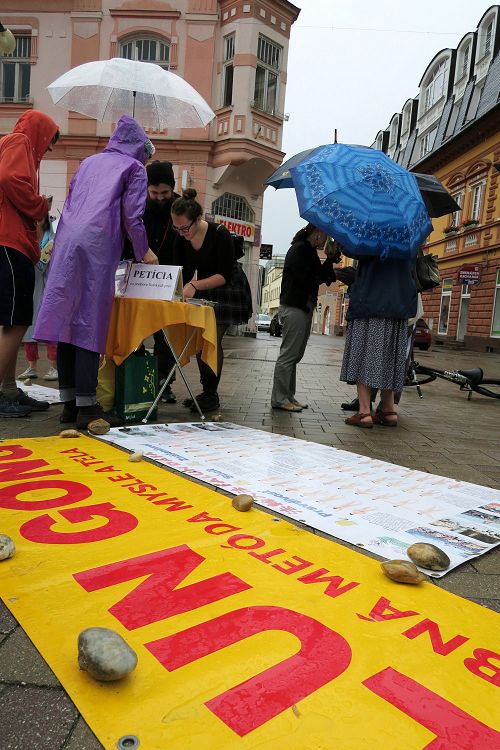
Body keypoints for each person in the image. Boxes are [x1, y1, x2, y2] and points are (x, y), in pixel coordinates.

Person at [34, 115, 158, 429]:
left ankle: (68, 404)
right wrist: (144, 251)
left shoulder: (89, 162)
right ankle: (88, 407)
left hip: (67, 240)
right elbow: (132, 217)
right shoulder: (134, 169)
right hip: (97, 245)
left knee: (65, 322)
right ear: (140, 149)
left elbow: (73, 200)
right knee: (88, 322)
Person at [0, 109, 59, 418]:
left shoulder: (14, 143)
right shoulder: (20, 141)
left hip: (11, 242)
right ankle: (1, 393)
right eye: (47, 143)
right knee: (16, 321)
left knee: (13, 320)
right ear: (39, 134)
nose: (46, 150)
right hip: (10, 242)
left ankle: (8, 391)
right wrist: (39, 207)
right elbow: (9, 178)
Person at [171, 188, 253, 412]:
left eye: (185, 228)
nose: (181, 233)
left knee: (212, 339)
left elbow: (224, 274)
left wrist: (194, 286)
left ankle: (211, 394)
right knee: (200, 339)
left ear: (198, 219)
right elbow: (183, 274)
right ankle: (206, 392)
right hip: (204, 287)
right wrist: (181, 292)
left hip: (229, 288)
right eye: (176, 228)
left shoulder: (219, 233)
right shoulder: (181, 238)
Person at [340, 254, 417, 428]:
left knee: (364, 356)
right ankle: (389, 411)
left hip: (370, 305)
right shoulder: (407, 239)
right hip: (398, 307)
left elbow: (352, 250)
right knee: (390, 358)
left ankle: (364, 412)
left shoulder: (371, 236)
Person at [271, 224, 338, 412]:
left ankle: (288, 396)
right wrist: (326, 266)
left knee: (295, 355)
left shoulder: (308, 251)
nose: (327, 240)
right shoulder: (300, 250)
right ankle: (279, 398)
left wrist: (330, 260)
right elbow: (309, 278)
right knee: (288, 355)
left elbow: (320, 275)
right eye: (326, 236)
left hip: (302, 307)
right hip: (295, 307)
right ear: (317, 233)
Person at [144, 160, 180, 403]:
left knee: (165, 335)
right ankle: (135, 377)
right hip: (140, 274)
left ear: (172, 189)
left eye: (164, 193)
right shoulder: (137, 203)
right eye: (154, 193)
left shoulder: (181, 206)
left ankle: (164, 382)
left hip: (169, 277)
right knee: (133, 328)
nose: (159, 198)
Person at [19, 215, 58, 381]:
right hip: (31, 283)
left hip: (50, 283)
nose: (36, 219)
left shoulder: (54, 235)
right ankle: (31, 366)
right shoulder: (25, 234)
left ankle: (54, 367)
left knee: (50, 325)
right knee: (28, 325)